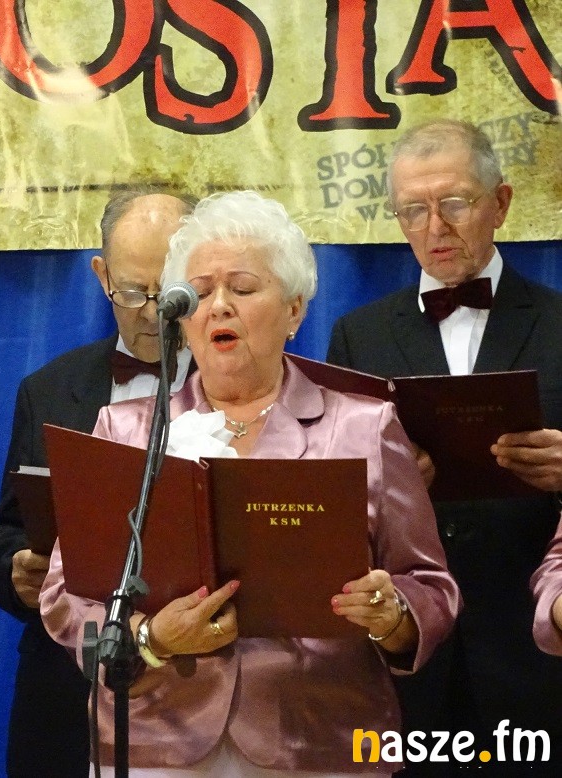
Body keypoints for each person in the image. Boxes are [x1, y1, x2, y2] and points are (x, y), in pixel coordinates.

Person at [40, 191, 460, 774]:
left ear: (294, 311)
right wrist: (152, 638)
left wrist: (392, 616)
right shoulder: (124, 430)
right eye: (200, 292)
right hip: (156, 742)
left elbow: (430, 586)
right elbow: (65, 593)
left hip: (319, 741)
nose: (219, 306)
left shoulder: (364, 427)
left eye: (242, 288)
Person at [327, 119, 562, 773]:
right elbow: (333, 492)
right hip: (406, 648)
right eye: (412, 210)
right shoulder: (357, 335)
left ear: (500, 203)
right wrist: (387, 485)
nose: (434, 226)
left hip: (536, 642)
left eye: (454, 202)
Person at [0, 190, 195, 776]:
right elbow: (2, 531)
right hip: (68, 693)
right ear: (101, 276)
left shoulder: (240, 385)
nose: (150, 312)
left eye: (167, 291)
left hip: (202, 684)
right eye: (131, 291)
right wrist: (17, 568)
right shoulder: (49, 388)